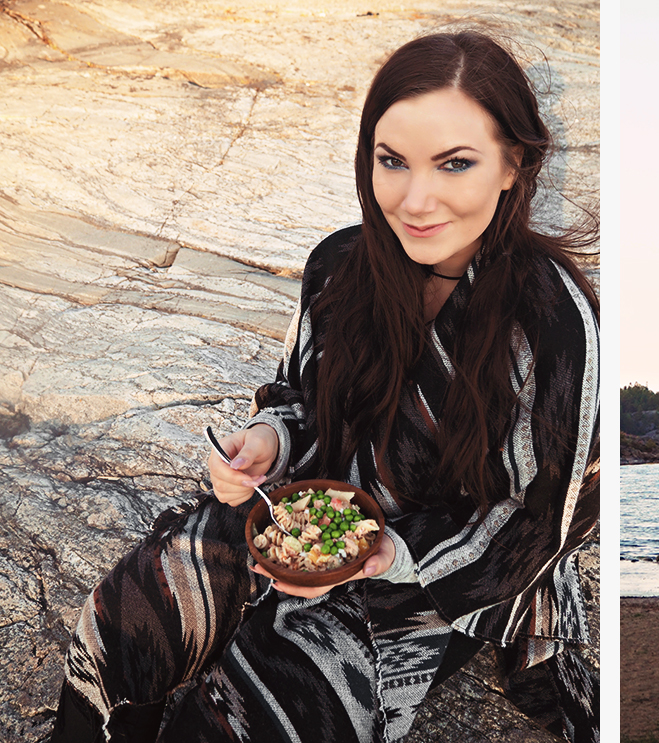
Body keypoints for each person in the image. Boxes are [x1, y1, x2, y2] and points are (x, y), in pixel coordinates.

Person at [50, 29, 599, 743]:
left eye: (455, 163)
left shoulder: (554, 321)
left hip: (442, 571)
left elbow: (548, 516)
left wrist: (386, 554)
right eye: (392, 161)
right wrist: (268, 442)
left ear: (512, 165)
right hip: (309, 513)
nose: (416, 198)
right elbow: (297, 396)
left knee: (251, 710)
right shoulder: (339, 265)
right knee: (124, 618)